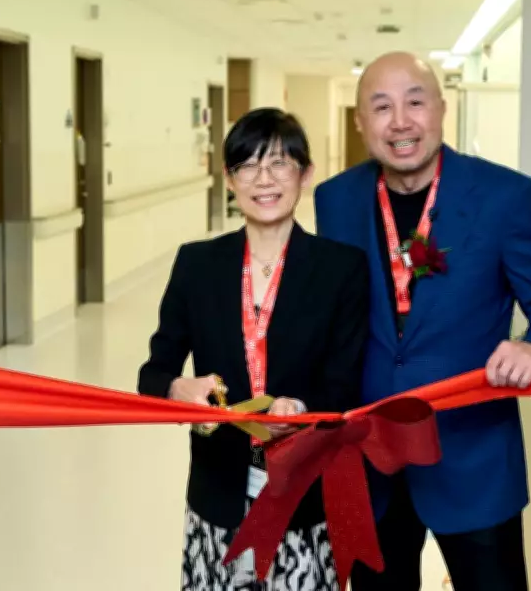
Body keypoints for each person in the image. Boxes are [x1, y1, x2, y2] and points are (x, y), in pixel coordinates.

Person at [314, 53, 531, 590]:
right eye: (382, 106)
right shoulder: (335, 201)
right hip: (369, 461)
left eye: (416, 101)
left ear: (441, 108)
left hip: (472, 458)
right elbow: (326, 320)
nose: (401, 122)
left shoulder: (505, 196)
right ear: (360, 122)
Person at [138, 107, 369, 591]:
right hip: (217, 491)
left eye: (280, 163)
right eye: (248, 165)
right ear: (229, 178)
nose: (264, 179)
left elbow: (345, 382)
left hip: (303, 492)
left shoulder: (341, 269)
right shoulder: (197, 264)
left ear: (305, 173)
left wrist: (302, 409)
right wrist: (178, 387)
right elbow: (153, 373)